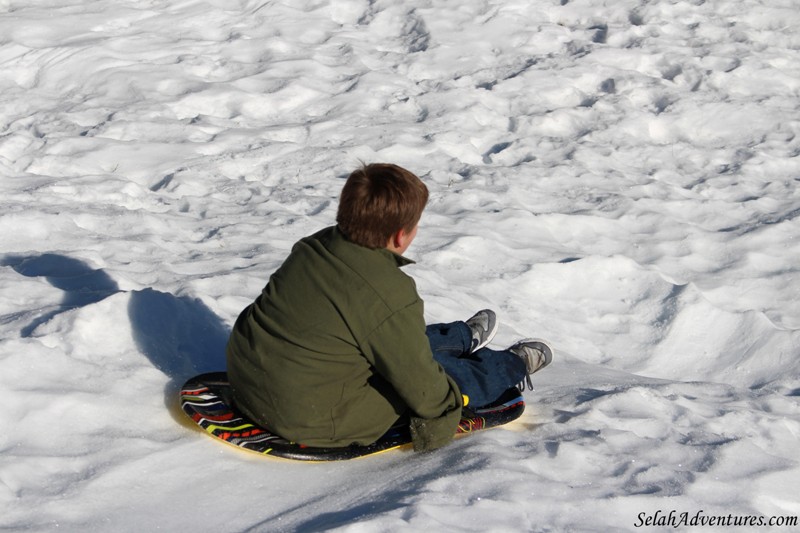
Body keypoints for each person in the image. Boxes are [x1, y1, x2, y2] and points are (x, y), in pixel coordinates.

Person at [226, 163, 552, 452]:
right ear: (400, 236)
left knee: (392, 337)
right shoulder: (388, 293)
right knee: (438, 373)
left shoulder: (314, 247)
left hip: (249, 381)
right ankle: (509, 364)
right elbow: (425, 391)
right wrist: (442, 417)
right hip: (312, 416)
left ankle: (461, 336)